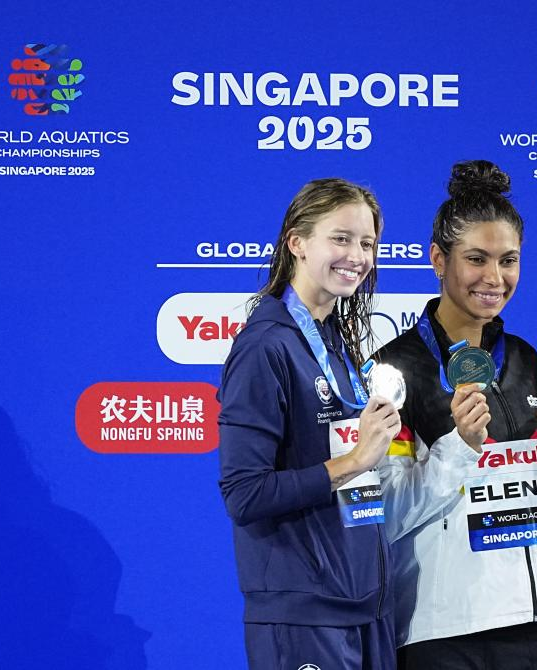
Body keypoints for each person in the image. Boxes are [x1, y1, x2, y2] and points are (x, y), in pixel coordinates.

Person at [375, 160, 537, 669]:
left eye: (509, 260)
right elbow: (385, 514)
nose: (494, 278)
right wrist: (458, 448)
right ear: (438, 260)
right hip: (445, 630)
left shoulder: (528, 359)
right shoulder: (393, 369)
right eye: (476, 259)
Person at [217, 179, 402, 670]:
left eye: (367, 243)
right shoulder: (265, 347)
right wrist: (355, 460)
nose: (357, 256)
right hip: (304, 615)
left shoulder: (335, 341)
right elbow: (245, 495)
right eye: (340, 238)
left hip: (365, 606)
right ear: (297, 243)